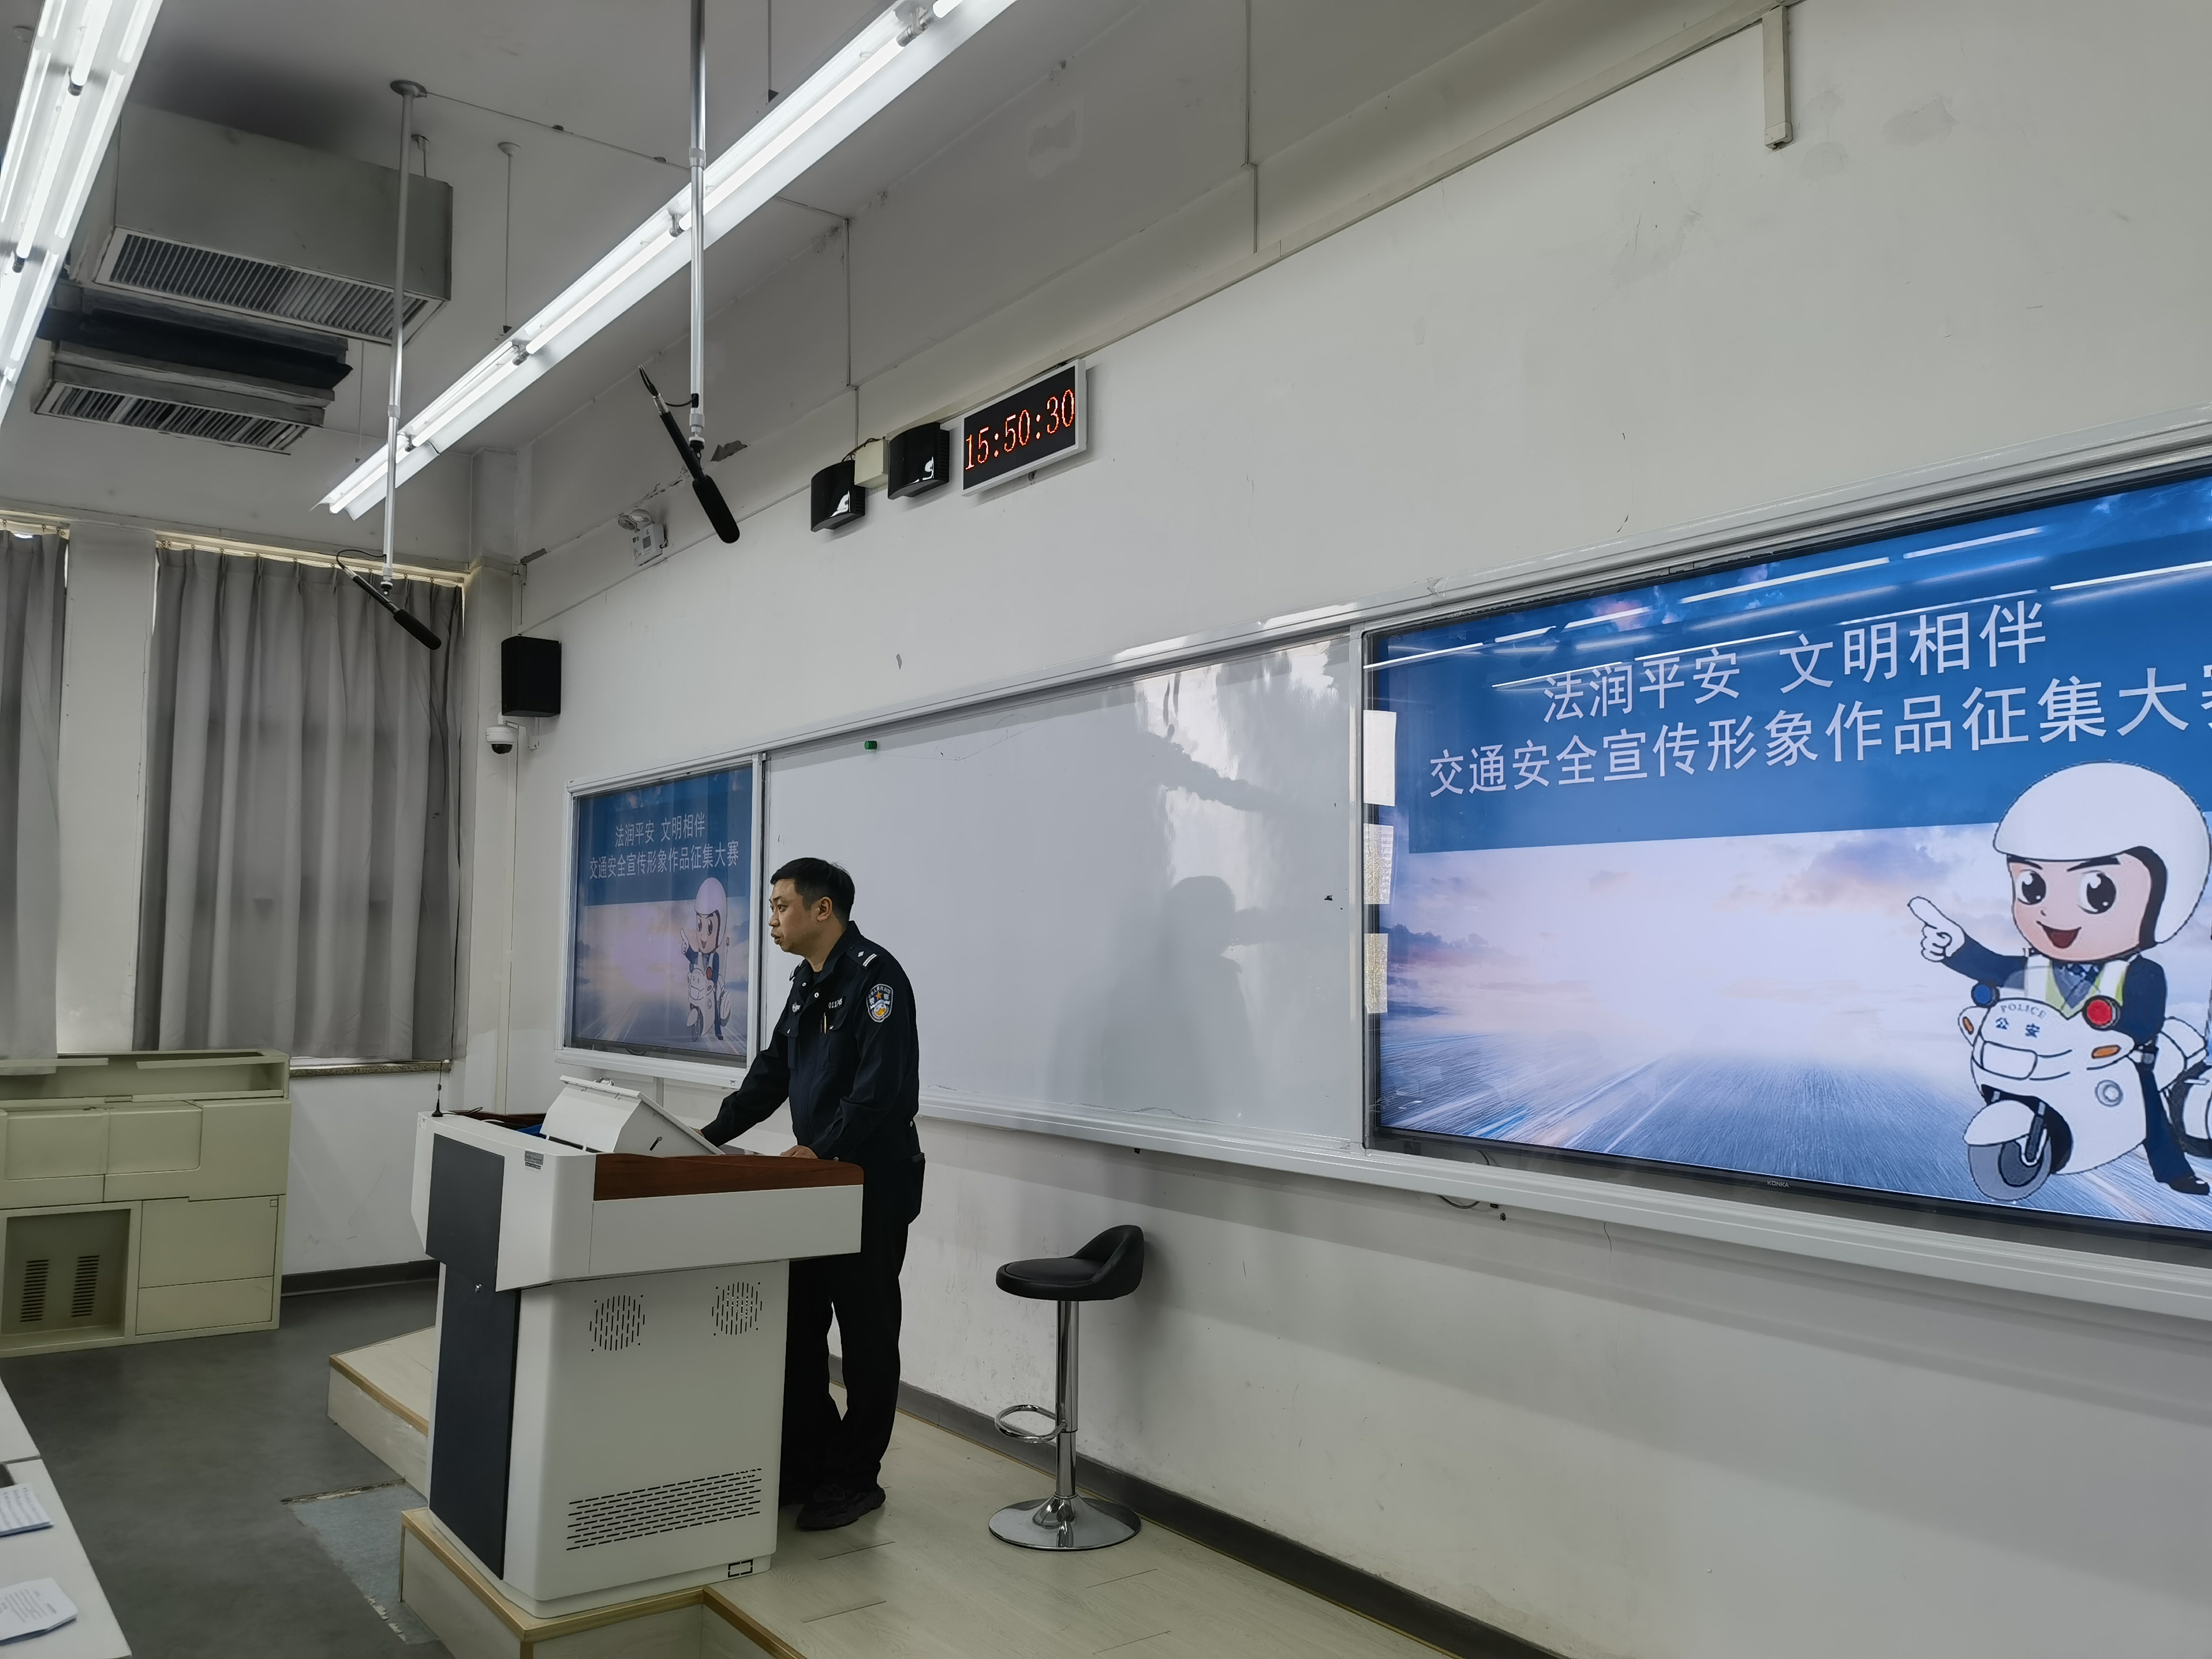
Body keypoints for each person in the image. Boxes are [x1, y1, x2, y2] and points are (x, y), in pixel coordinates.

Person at [704, 857, 924, 1529]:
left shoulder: (876, 980)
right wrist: (704, 1138)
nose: (771, 920)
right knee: (797, 1328)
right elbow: (771, 1074)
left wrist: (821, 1150)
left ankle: (856, 1478)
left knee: (866, 1336)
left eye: (781, 907)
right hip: (815, 1185)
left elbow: (878, 1094)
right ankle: (809, 1460)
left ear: (821, 910)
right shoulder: (806, 981)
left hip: (869, 1184)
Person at [1912, 761, 2211, 1195]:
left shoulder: (2141, 972)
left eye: (2097, 891)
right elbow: (1995, 968)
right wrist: (1957, 947)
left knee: (2148, 1102)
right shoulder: (2036, 966)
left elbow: (2144, 1022)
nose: (2051, 911)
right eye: (2032, 887)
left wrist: (2121, 1034)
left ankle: (2172, 1170)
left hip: (2117, 1058)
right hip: (2046, 1053)